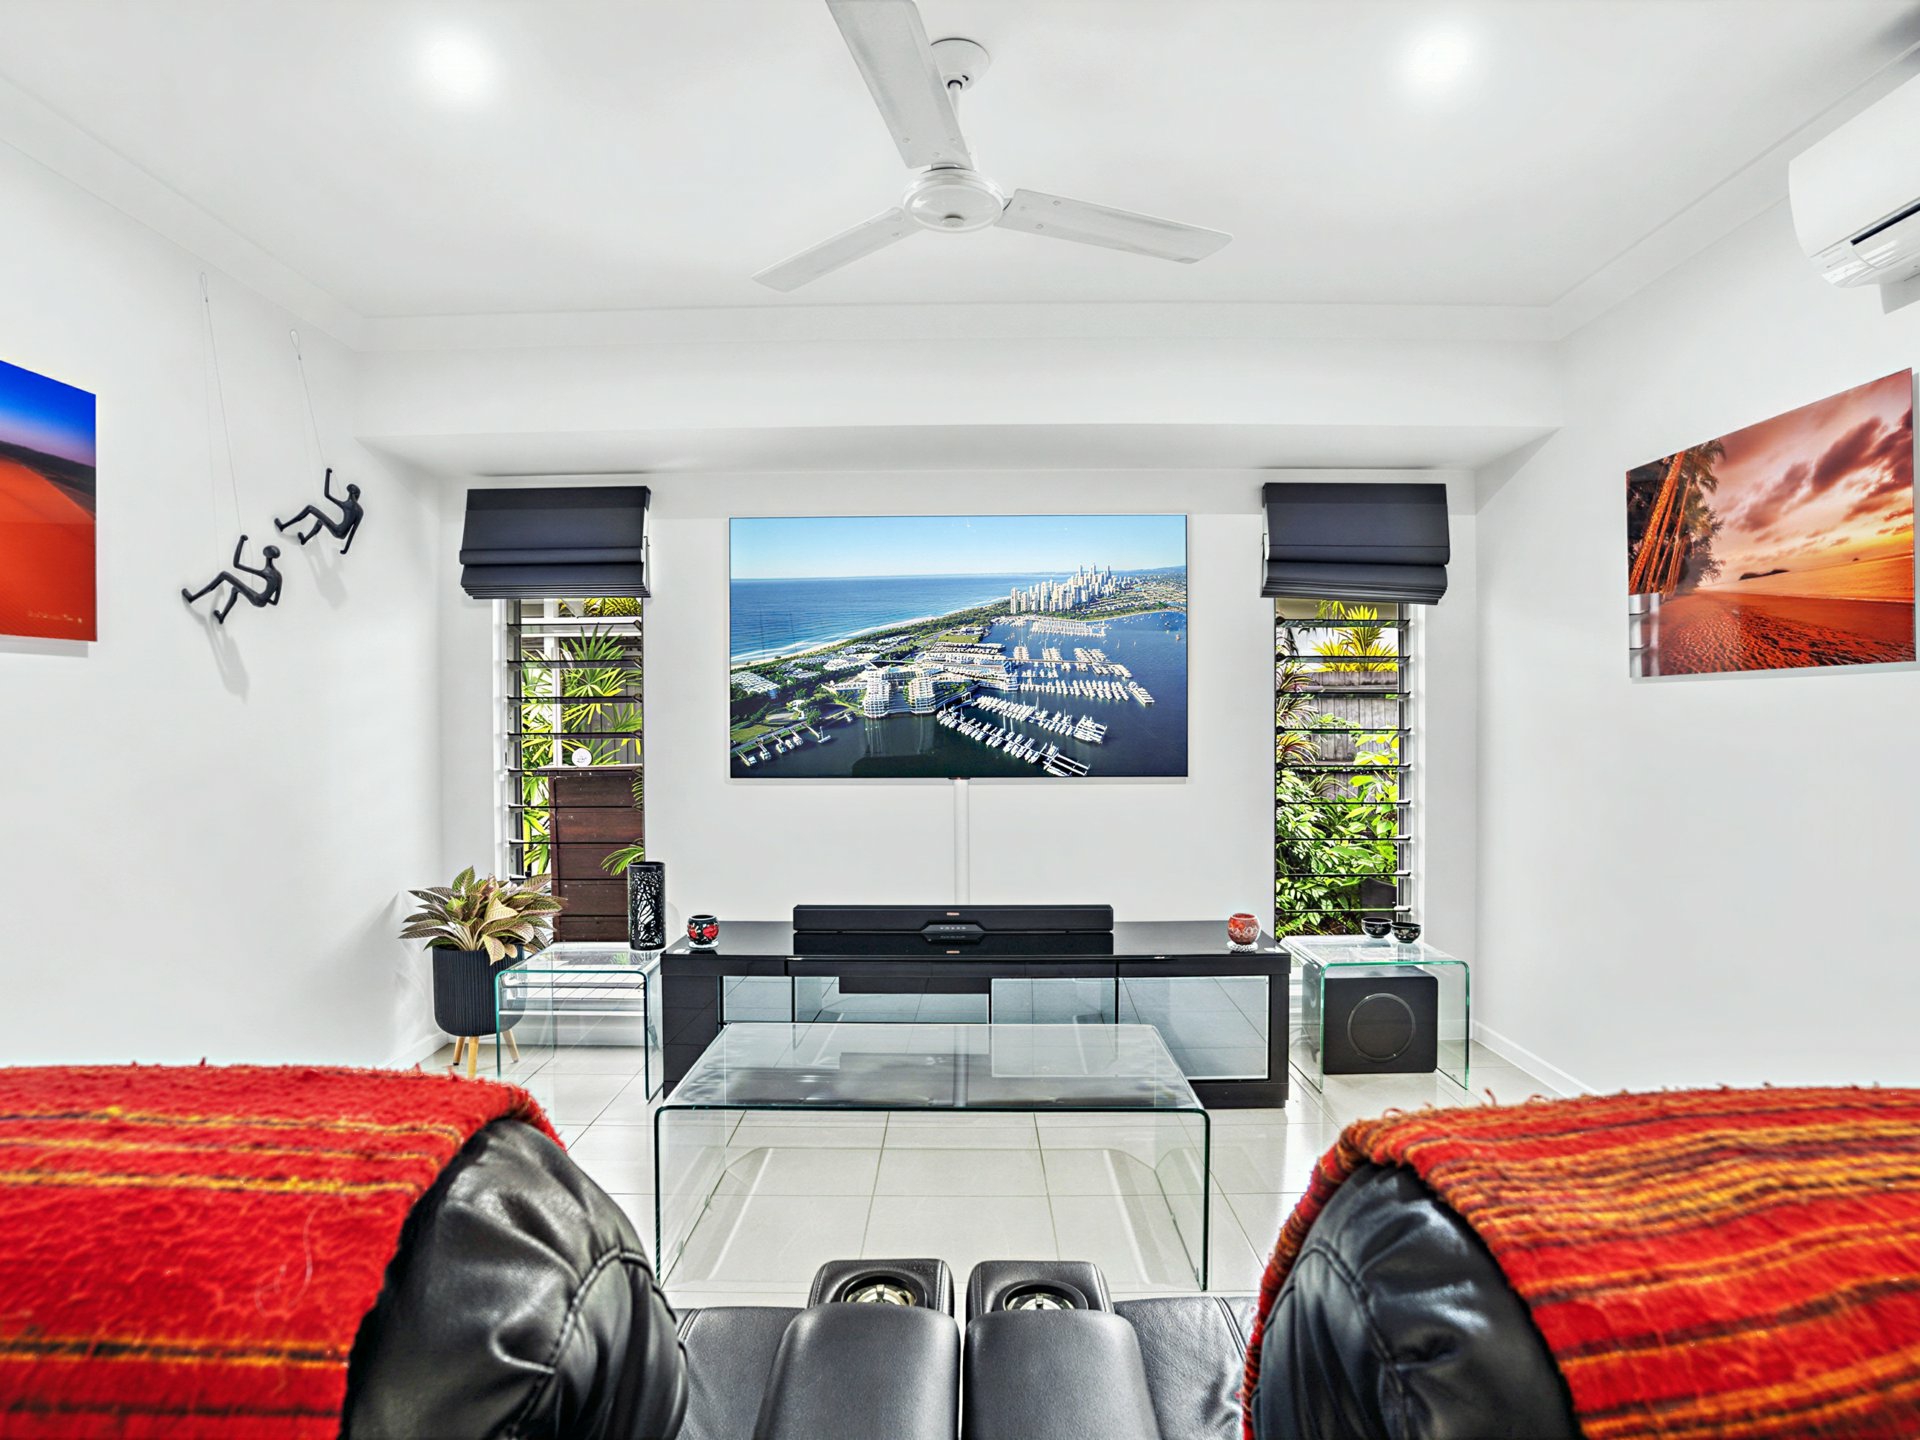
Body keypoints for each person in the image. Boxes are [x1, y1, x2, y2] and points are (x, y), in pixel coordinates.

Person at [181, 535, 283, 624]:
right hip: (262, 602)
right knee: (235, 589)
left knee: (224, 575)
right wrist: (263, 598)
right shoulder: (278, 575)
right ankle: (221, 617)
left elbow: (236, 564)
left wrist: (241, 541)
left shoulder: (266, 572)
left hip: (257, 599)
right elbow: (275, 602)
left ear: (266, 555)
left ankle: (192, 598)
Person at [275, 468, 364, 554]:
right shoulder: (360, 511)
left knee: (310, 508)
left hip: (337, 530)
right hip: (342, 535)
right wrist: (346, 549)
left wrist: (328, 474)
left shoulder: (347, 504)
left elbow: (327, 494)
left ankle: (283, 526)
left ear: (350, 493)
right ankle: (304, 540)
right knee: (319, 521)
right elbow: (353, 531)